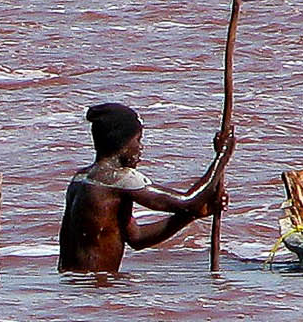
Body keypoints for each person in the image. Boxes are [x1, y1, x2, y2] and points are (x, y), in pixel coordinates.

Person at [57, 103, 230, 275]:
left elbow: (137, 238)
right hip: (96, 287)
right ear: (122, 144)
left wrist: (194, 214)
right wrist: (222, 156)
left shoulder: (80, 180)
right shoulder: (118, 179)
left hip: (74, 287)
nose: (140, 148)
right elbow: (188, 202)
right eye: (138, 140)